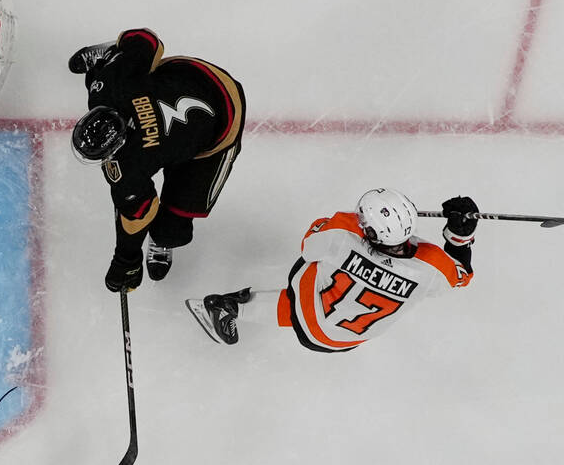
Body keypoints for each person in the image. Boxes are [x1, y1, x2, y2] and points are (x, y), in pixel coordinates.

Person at [68, 27, 246, 291]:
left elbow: (140, 213)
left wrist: (126, 260)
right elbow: (145, 39)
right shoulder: (107, 88)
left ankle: (163, 239)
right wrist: (122, 56)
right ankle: (107, 57)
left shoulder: (128, 166)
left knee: (176, 219)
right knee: (104, 75)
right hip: (191, 77)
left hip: (221, 123)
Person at [186, 190, 478, 351]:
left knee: (316, 265)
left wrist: (347, 223)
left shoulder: (341, 234)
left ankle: (234, 305)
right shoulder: (431, 268)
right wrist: (459, 235)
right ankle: (237, 307)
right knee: (331, 306)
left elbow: (309, 244)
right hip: (345, 339)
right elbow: (460, 274)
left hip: (312, 308)